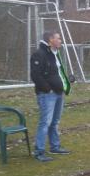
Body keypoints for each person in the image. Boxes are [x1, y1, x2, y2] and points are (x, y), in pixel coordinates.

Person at [30, 30, 73, 162]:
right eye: (58, 38)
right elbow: (36, 75)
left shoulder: (55, 54)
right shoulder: (39, 54)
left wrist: (66, 80)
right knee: (45, 122)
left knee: (54, 122)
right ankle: (39, 151)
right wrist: (48, 89)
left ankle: (55, 146)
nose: (60, 41)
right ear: (50, 40)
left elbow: (56, 73)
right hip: (47, 95)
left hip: (59, 93)